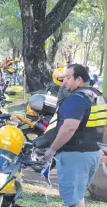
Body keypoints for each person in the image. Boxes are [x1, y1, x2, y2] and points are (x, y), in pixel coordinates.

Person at [44, 64, 106, 207]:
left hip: (74, 156)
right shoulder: (100, 97)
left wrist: (52, 149)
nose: (65, 81)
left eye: (68, 77)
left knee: (72, 201)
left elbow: (69, 128)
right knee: (77, 197)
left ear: (78, 79)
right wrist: (103, 146)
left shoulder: (77, 98)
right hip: (92, 155)